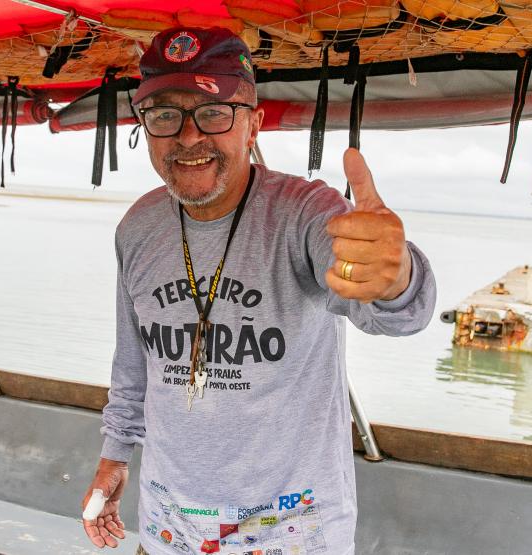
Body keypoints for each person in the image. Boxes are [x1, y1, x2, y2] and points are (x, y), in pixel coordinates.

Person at [81, 26, 436, 555]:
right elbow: (133, 368)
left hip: (291, 536)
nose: (188, 136)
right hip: (169, 531)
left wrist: (397, 277)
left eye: (214, 112)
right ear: (145, 126)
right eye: (164, 115)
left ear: (253, 124)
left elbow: (397, 315)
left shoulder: (307, 214)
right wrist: (113, 460)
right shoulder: (137, 228)